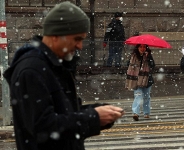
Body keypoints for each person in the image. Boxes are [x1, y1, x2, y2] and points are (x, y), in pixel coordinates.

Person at [3, 2, 124, 150]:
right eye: (77, 39)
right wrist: (93, 117)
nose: (80, 46)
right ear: (56, 36)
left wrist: (98, 113)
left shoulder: (53, 65)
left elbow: (65, 113)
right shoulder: (32, 70)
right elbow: (44, 128)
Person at [125, 44, 155, 121]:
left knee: (146, 97)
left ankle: (146, 113)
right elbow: (128, 65)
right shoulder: (133, 56)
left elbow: (152, 66)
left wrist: (148, 58)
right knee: (138, 96)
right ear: (137, 48)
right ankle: (136, 113)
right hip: (136, 80)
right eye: (140, 47)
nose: (142, 49)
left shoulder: (148, 56)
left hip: (147, 80)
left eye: (144, 47)